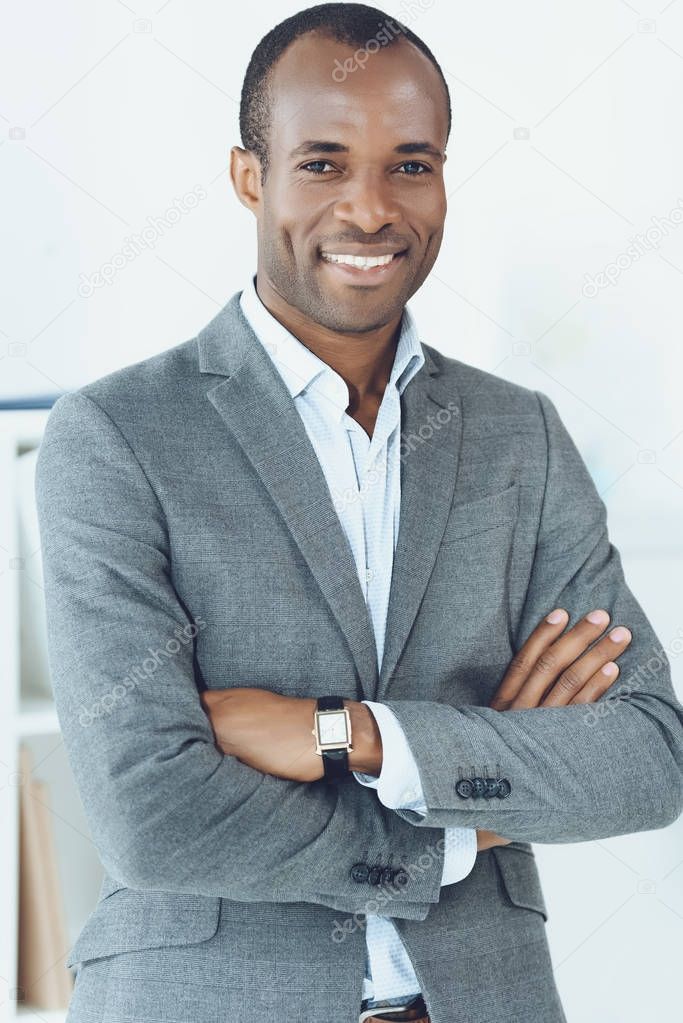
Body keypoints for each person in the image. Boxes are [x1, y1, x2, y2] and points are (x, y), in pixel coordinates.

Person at [35, 4, 683, 1022]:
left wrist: (353, 737)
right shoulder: (114, 436)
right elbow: (153, 812)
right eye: (323, 163)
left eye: (409, 164)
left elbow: (645, 758)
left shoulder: (518, 435)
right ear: (250, 176)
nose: (370, 210)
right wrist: (471, 812)